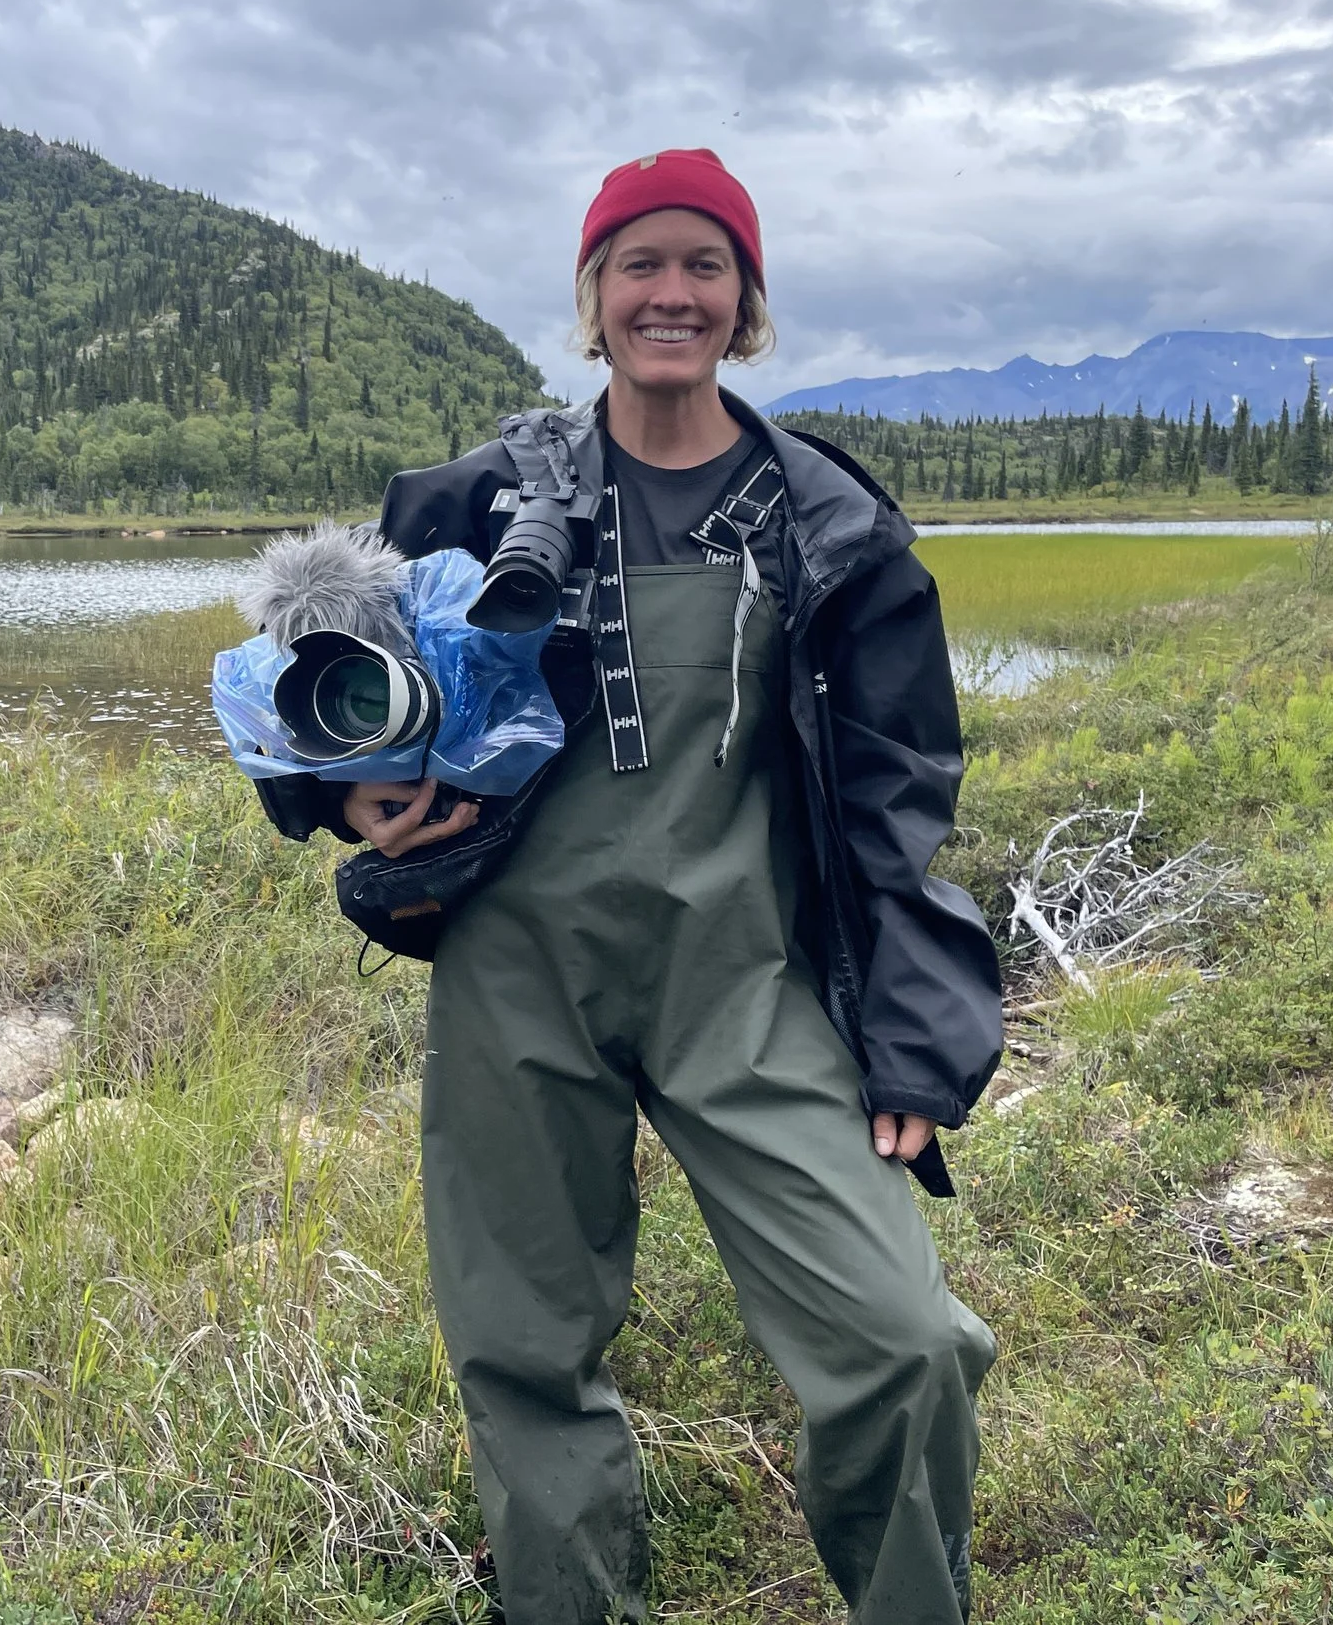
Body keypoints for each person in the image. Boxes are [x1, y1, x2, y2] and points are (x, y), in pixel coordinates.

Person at [346, 150, 1003, 1623]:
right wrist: (353, 792)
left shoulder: (828, 522)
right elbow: (325, 691)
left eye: (706, 265)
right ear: (593, 296)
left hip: (745, 982)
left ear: (746, 302)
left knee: (908, 1340)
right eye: (640, 263)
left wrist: (910, 1030)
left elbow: (898, 793)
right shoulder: (476, 503)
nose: (672, 293)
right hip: (518, 972)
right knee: (523, 1350)